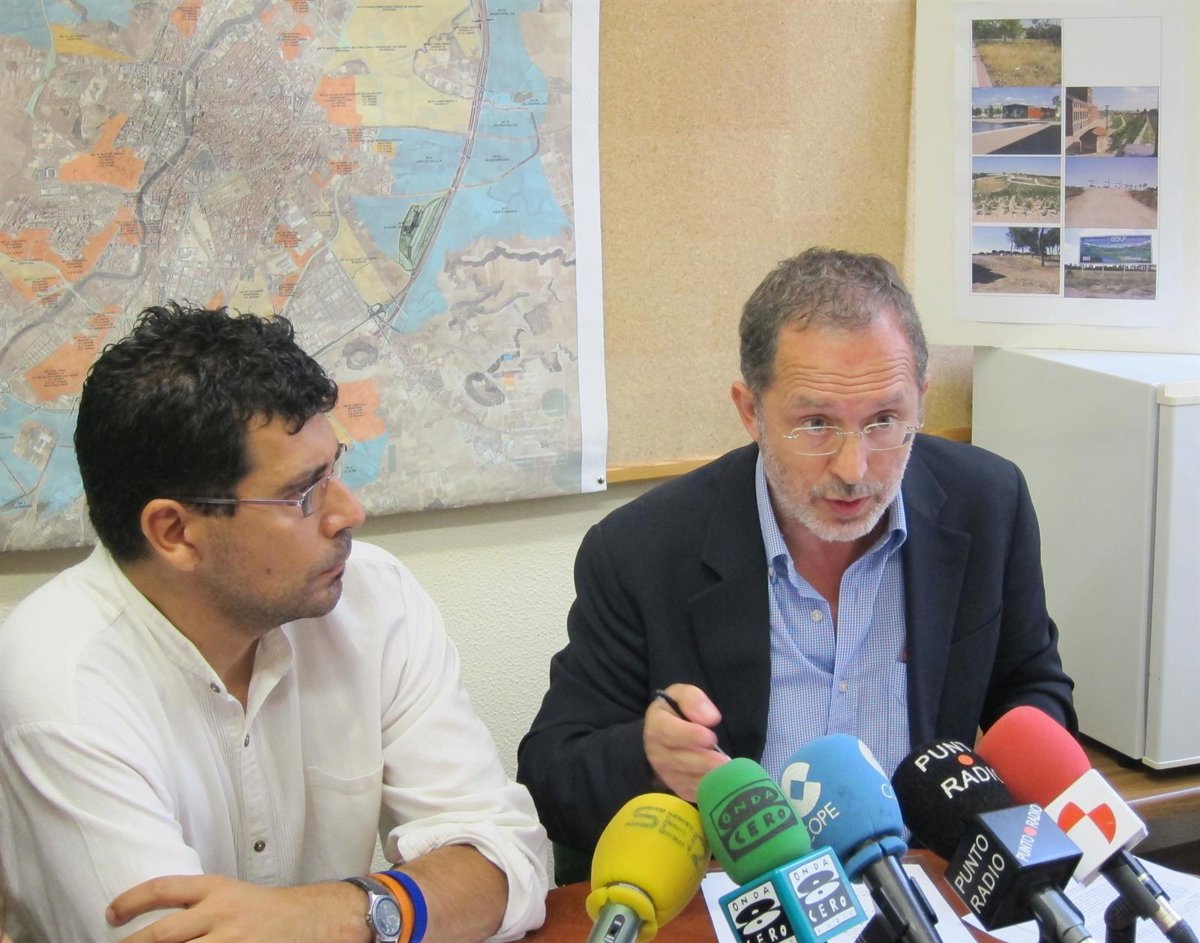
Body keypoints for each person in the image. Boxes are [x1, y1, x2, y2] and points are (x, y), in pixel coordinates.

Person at [517, 247, 1075, 881]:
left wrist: (985, 791)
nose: (853, 469)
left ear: (920, 400)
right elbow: (551, 773)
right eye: (815, 424)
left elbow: (1033, 690)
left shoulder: (988, 505)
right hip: (741, 895)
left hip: (921, 882)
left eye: (884, 421)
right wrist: (648, 756)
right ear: (750, 411)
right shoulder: (642, 549)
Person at [0, 304, 549, 941]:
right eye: (302, 493)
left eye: (335, 469)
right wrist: (410, 906)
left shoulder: (374, 596)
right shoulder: (61, 686)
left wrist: (338, 914)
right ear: (174, 532)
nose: (350, 512)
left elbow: (508, 863)